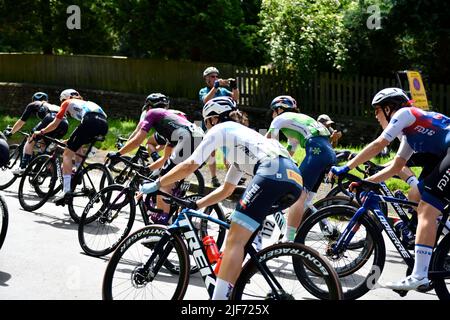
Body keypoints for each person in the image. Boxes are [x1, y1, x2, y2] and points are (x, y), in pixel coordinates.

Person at [137, 96, 302, 300]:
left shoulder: (220, 129)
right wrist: (197, 204)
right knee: (244, 235)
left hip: (271, 173)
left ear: (213, 119)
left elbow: (190, 165)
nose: (207, 127)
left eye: (206, 122)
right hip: (293, 178)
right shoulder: (244, 141)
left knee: (234, 240)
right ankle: (234, 286)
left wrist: (158, 183)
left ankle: (219, 300)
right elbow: (226, 189)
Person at [329, 87, 450, 291]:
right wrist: (367, 182)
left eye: (377, 110)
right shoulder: (409, 136)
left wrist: (345, 168)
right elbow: (395, 166)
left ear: (388, 108)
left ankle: (419, 275)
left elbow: (378, 144)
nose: (376, 116)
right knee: (419, 197)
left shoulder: (404, 113)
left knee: (427, 208)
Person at [108, 105, 204, 224]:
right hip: (201, 140)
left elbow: (138, 141)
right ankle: (172, 214)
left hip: (189, 140)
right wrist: (148, 169)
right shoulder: (172, 129)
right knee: (171, 177)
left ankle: (161, 222)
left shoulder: (151, 113)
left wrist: (118, 153)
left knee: (163, 181)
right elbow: (166, 159)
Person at [265, 95, 336, 242]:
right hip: (327, 151)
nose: (272, 115)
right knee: (306, 200)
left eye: (273, 111)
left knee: (298, 194)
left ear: (279, 109)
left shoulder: (280, 118)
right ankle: (303, 231)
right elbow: (289, 152)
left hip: (317, 150)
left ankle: (289, 239)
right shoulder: (296, 122)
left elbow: (267, 143)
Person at [32, 89, 108, 204]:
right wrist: (69, 140)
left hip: (90, 121)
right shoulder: (87, 103)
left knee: (67, 154)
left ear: (65, 98)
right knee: (78, 146)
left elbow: (55, 124)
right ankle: (78, 173)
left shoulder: (67, 102)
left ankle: (66, 190)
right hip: (104, 125)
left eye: (62, 100)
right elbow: (82, 132)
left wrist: (41, 132)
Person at [4, 92, 69, 174]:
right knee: (45, 145)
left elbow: (21, 121)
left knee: (31, 139)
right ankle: (44, 172)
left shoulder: (34, 104)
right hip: (65, 124)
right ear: (46, 100)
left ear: (33, 100)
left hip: (51, 119)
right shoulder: (52, 106)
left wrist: (11, 132)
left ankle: (23, 167)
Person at [199, 66, 240, 188]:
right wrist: (215, 87)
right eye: (212, 77)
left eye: (216, 76)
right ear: (207, 79)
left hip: (224, 124)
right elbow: (205, 100)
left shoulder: (223, 91)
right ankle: (213, 177)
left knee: (228, 151)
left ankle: (230, 177)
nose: (215, 78)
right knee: (212, 152)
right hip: (210, 125)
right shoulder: (204, 90)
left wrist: (234, 87)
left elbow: (235, 98)